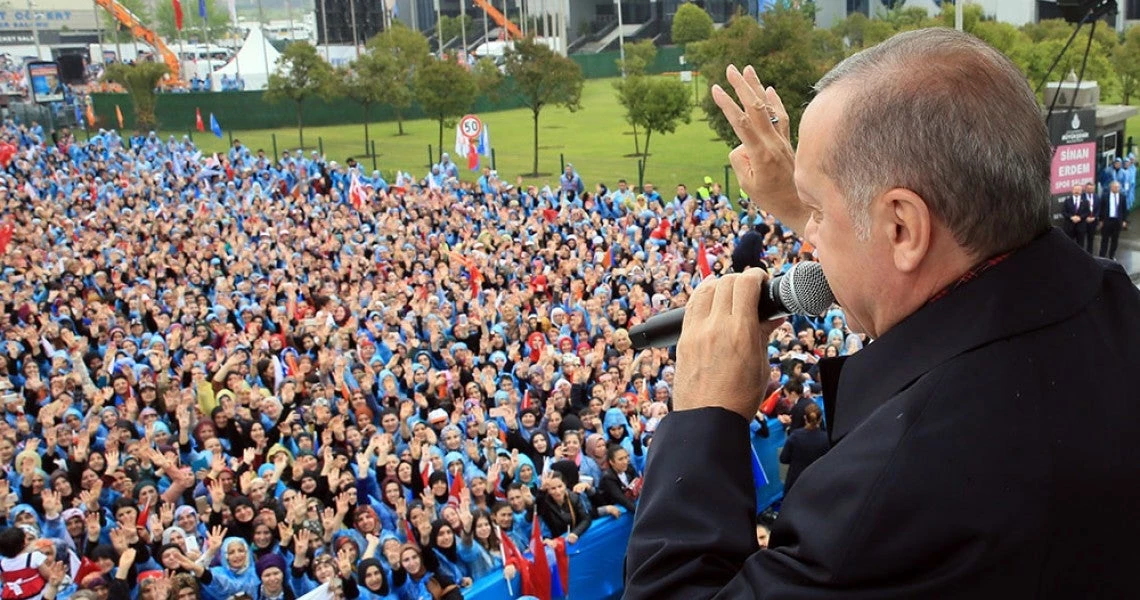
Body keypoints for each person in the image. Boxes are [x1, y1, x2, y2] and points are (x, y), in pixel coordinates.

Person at [625, 28, 1140, 598]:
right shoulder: (1111, 300)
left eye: (819, 213)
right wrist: (814, 203)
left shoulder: (887, 497)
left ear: (903, 227)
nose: (808, 235)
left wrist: (704, 418)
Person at [777, 402, 828, 495]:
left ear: (805, 418)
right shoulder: (826, 439)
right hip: (819, 481)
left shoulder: (795, 436)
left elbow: (783, 459)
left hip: (796, 480)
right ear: (820, 419)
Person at [1097, 180, 1129, 260]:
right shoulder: (1105, 196)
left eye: (1118, 187)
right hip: (1107, 220)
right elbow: (1101, 208)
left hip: (1117, 221)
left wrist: (1124, 220)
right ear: (1111, 187)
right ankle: (1102, 256)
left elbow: (1124, 209)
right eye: (1115, 187)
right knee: (1105, 239)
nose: (1116, 188)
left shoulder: (1122, 196)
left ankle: (1112, 255)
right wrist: (1101, 220)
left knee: (1115, 240)